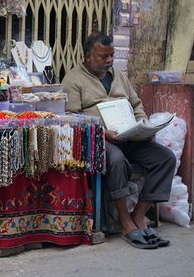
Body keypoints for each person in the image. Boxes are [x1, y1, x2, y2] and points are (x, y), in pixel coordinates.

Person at [62, 32, 176, 249]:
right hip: (100, 139)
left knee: (165, 158)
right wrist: (103, 132)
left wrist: (144, 124)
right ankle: (125, 221)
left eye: (111, 55)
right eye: (103, 56)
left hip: (130, 135)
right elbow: (72, 118)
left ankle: (139, 215)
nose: (108, 60)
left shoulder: (118, 75)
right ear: (88, 56)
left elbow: (136, 103)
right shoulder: (73, 80)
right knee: (116, 160)